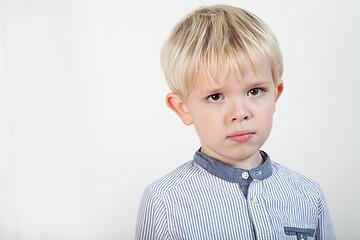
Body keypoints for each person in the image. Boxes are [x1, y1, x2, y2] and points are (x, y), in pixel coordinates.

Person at [136, 4, 335, 239]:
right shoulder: (164, 201)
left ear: (275, 95)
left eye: (254, 91)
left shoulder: (308, 195)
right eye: (215, 96)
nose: (240, 113)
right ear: (183, 108)